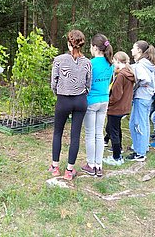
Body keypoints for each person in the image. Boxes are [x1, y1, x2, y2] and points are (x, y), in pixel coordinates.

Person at [49, 30, 91, 181]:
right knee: (75, 136)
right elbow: (88, 84)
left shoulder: (59, 60)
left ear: (68, 43)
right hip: (80, 101)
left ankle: (55, 167)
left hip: (64, 100)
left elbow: (53, 82)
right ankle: (69, 170)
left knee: (57, 133)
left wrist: (59, 92)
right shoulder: (87, 62)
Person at [81, 33, 114, 177]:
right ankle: (99, 165)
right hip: (104, 100)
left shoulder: (90, 63)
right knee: (99, 133)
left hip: (91, 101)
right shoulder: (110, 64)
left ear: (94, 47)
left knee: (90, 134)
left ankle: (91, 164)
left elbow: (85, 83)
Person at [127, 41, 155, 161]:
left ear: (139, 50)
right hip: (146, 96)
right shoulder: (148, 62)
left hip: (141, 97)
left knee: (138, 124)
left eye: (133, 47)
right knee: (142, 123)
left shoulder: (141, 64)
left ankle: (140, 153)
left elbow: (145, 79)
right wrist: (153, 87)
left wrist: (139, 86)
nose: (131, 50)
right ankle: (142, 147)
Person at [103, 51, 135, 166]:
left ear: (118, 61)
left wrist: (108, 103)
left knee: (113, 132)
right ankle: (119, 151)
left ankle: (116, 158)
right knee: (117, 130)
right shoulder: (129, 73)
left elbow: (116, 95)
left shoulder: (121, 75)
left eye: (114, 61)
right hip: (124, 107)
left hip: (116, 108)